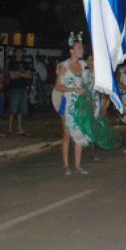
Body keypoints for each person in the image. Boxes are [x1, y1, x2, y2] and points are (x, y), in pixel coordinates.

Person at [54, 33, 90, 175]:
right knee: (67, 134)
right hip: (67, 103)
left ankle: (78, 165)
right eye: (79, 48)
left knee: (79, 134)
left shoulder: (83, 65)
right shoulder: (64, 66)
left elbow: (87, 84)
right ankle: (66, 166)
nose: (81, 50)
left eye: (82, 48)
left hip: (81, 104)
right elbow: (58, 86)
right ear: (71, 51)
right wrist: (75, 89)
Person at [6, 47, 32, 136]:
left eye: (20, 52)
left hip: (23, 88)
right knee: (13, 109)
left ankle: (19, 128)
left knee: (21, 109)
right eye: (17, 52)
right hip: (14, 88)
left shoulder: (26, 63)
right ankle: (9, 129)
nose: (19, 53)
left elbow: (29, 75)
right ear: (15, 53)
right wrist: (23, 74)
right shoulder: (11, 63)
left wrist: (19, 74)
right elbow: (12, 76)